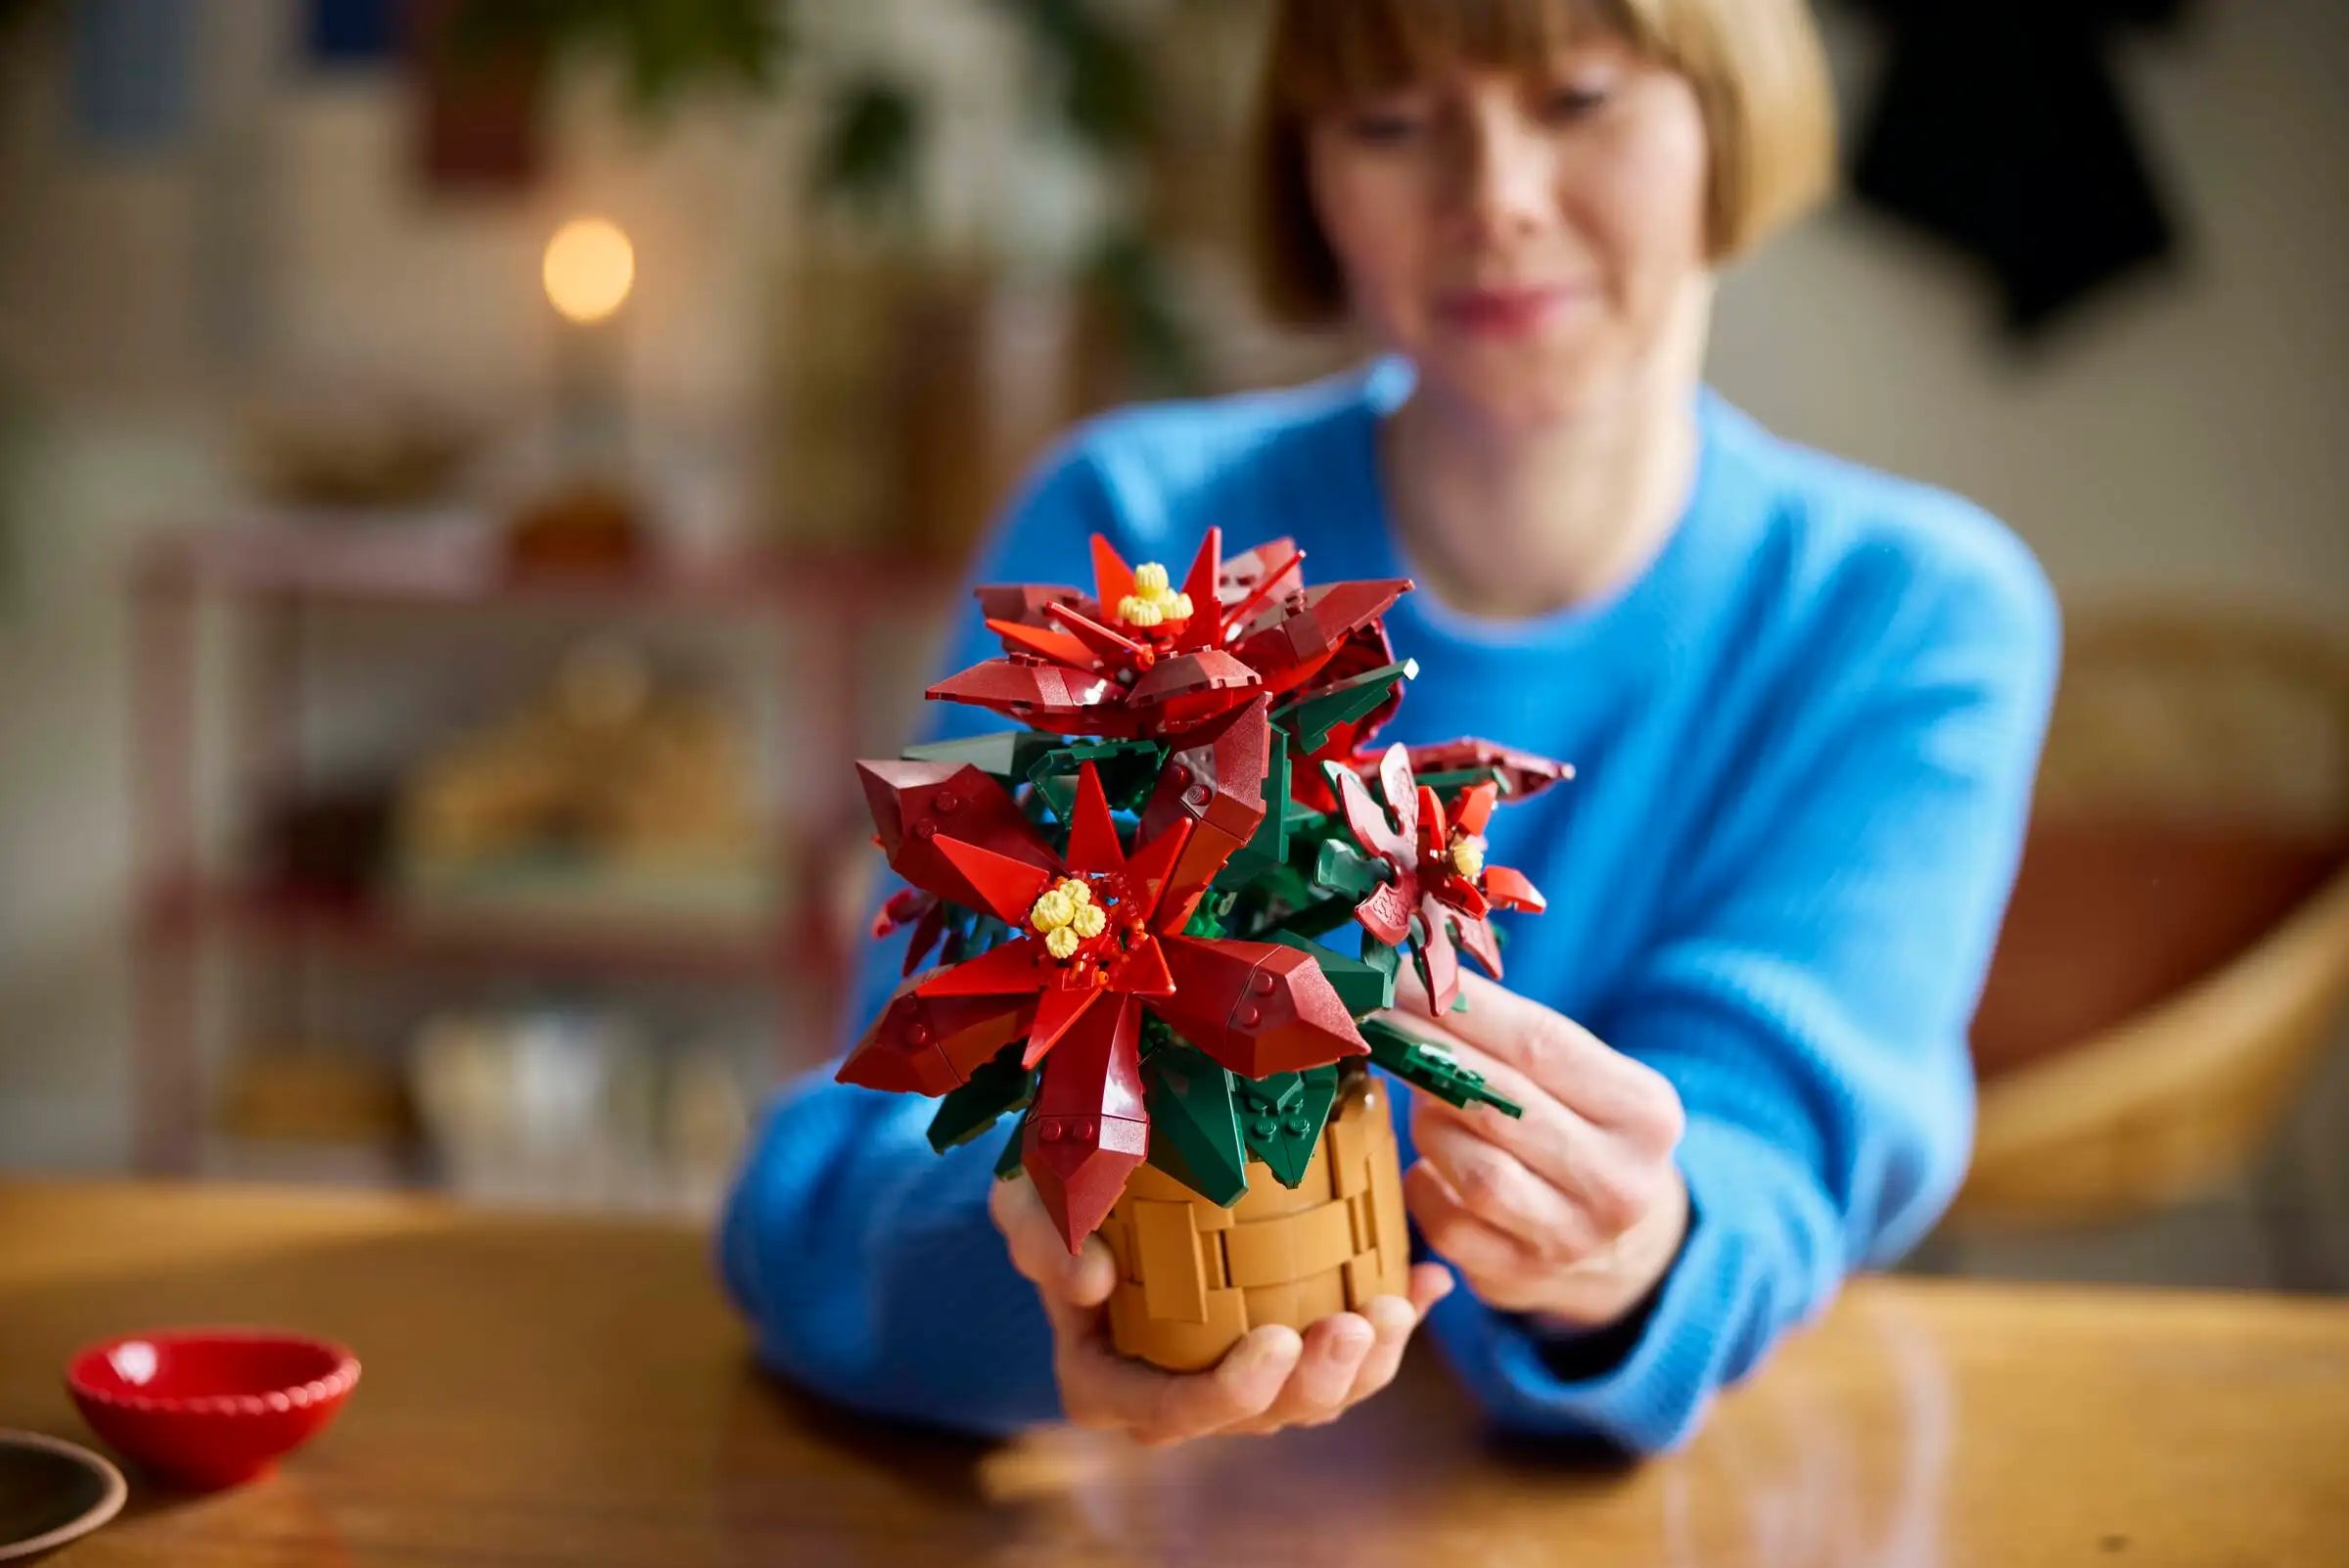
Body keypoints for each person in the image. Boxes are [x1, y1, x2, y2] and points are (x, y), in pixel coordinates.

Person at [718, 0, 2058, 1453]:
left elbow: (1767, 1149)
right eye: (1392, 123)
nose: (1495, 201)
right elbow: (841, 1183)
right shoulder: (1129, 550)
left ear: (1726, 118)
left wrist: (1637, 1255)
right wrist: (1057, 1280)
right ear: (1308, 173)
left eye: (1581, 99)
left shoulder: (1906, 621)